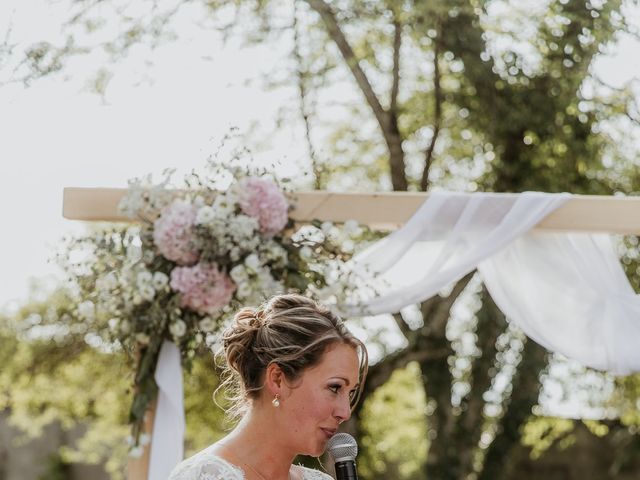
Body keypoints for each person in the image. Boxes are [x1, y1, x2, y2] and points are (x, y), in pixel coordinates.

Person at [168, 293, 368, 480]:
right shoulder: (201, 475)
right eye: (334, 387)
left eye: (349, 392)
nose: (345, 412)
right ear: (277, 379)